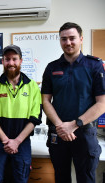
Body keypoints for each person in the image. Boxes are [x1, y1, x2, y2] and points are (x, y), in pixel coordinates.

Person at [41, 22, 105, 183]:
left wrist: (74, 124)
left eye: (72, 38)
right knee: (61, 177)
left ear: (81, 39)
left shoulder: (95, 66)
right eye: (63, 39)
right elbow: (46, 100)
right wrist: (60, 126)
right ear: (60, 41)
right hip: (58, 133)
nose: (68, 42)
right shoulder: (51, 68)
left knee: (86, 178)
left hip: (84, 133)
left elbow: (102, 103)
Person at [0, 45, 42, 183]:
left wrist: (17, 141)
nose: (11, 63)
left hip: (22, 142)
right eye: (7, 59)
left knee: (21, 179)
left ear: (20, 61)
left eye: (14, 59)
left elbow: (35, 118)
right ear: (2, 62)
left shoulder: (33, 86)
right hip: (0, 141)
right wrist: (6, 140)